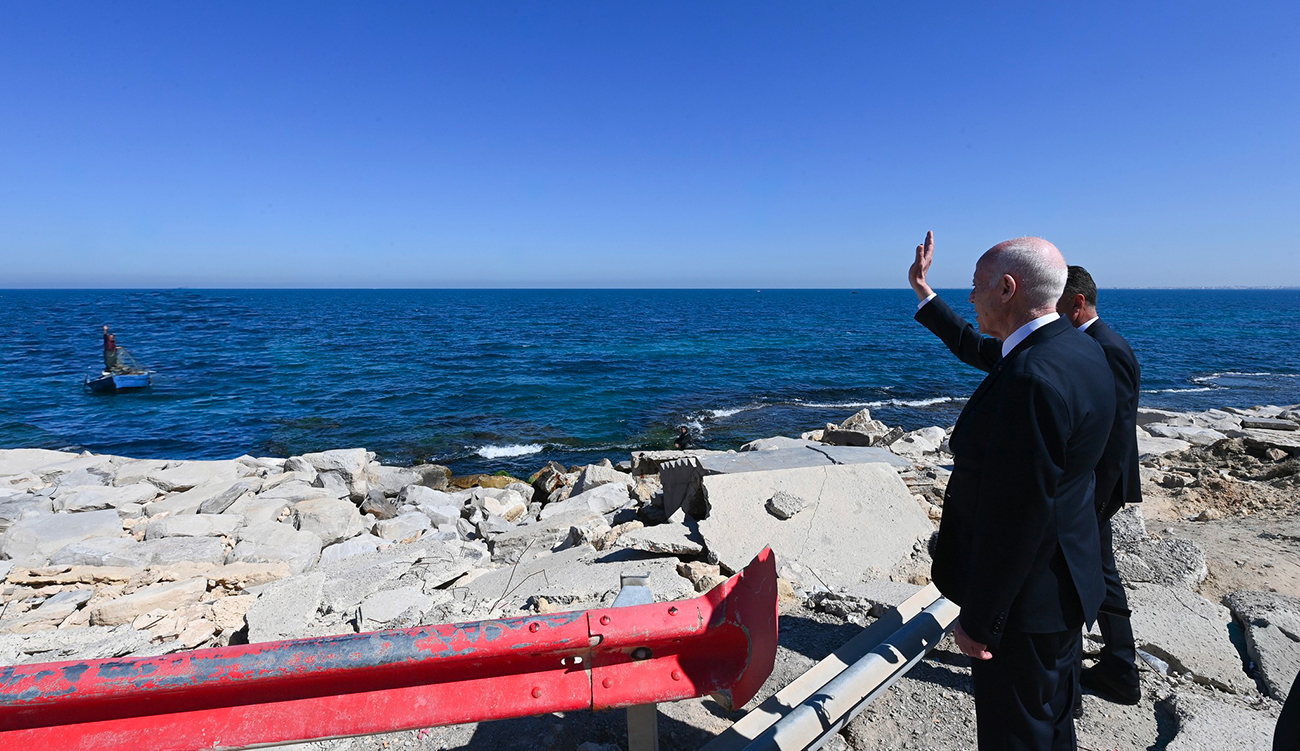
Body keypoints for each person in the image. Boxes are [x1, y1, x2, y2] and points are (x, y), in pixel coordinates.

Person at [910, 235, 1144, 709]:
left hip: (1044, 572)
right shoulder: (1075, 349)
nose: (970, 296)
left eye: (977, 285)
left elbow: (1025, 508)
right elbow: (975, 347)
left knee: (1020, 727)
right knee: (1052, 714)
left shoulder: (1047, 369)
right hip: (1063, 553)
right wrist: (923, 292)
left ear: (1007, 288)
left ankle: (1120, 664)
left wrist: (982, 620)